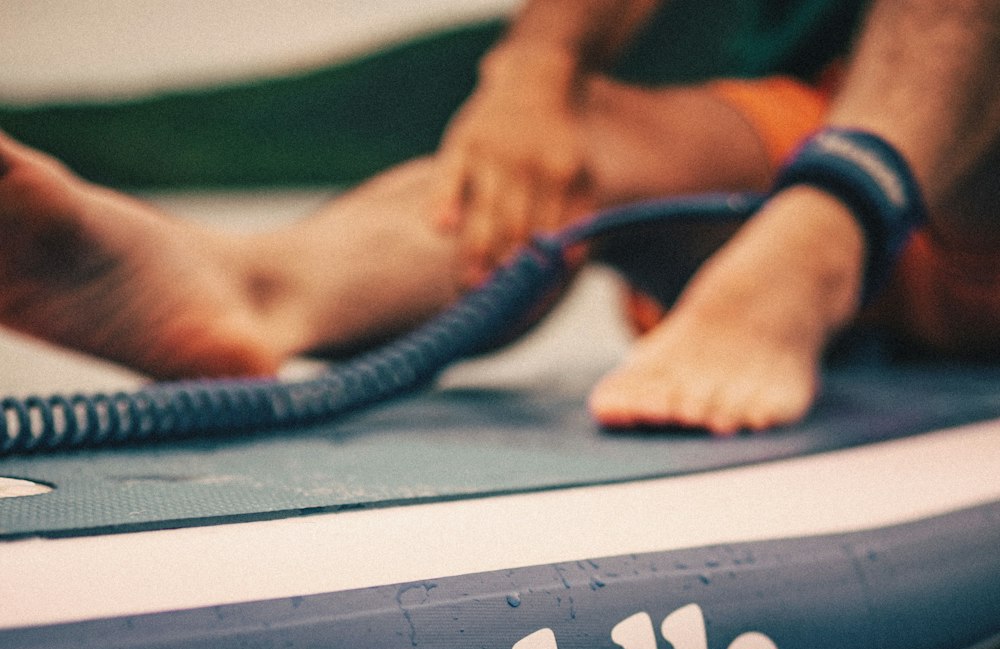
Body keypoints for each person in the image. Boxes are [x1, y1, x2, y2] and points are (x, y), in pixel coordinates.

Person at [0, 0, 998, 433]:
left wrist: (826, 216)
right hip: (836, 123)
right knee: (586, 145)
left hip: (963, 165)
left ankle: (816, 244)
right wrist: (534, 70)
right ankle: (255, 289)